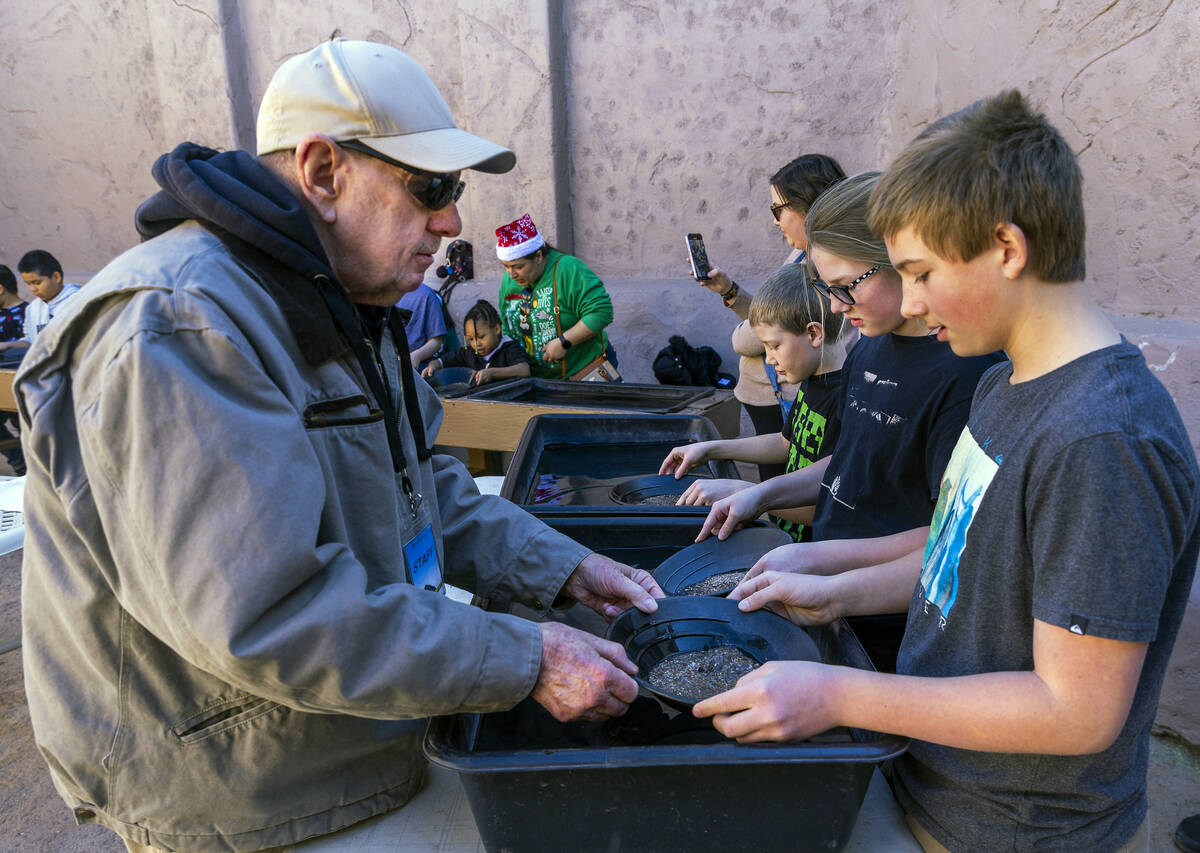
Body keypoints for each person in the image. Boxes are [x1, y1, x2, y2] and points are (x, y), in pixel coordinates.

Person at [16, 40, 663, 853]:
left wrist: (562, 566)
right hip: (250, 798)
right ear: (323, 172)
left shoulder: (345, 297)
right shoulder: (179, 324)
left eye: (454, 190)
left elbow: (420, 485)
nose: (453, 220)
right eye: (429, 187)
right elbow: (265, 612)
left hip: (344, 745)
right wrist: (524, 656)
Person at [698, 91, 1199, 853]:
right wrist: (829, 582)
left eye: (922, 271)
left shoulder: (1103, 438)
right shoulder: (1007, 381)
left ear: (1005, 246)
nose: (916, 301)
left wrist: (838, 691)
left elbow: (1078, 709)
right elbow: (955, 548)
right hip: (929, 778)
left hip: (1010, 828)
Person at [697, 172, 1003, 673]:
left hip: (886, 622)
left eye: (845, 286)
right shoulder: (867, 346)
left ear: (901, 261)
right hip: (827, 591)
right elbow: (854, 461)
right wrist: (761, 495)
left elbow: (948, 537)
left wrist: (827, 577)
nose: (838, 305)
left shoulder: (964, 370)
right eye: (826, 288)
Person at [658, 262, 850, 543]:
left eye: (774, 346)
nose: (770, 359)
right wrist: (711, 449)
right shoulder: (814, 378)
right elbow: (786, 443)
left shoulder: (845, 395)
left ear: (813, 333)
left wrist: (745, 492)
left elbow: (827, 507)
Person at [700, 154, 847, 480]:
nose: (774, 220)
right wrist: (729, 291)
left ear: (807, 207)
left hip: (789, 396)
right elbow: (771, 320)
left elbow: (749, 337)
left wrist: (749, 497)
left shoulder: (820, 267)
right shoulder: (801, 255)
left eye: (777, 209)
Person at [496, 214, 617, 380]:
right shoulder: (509, 281)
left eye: (518, 267)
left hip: (585, 373)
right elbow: (508, 325)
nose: (512, 275)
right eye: (506, 267)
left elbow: (601, 312)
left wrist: (564, 342)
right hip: (538, 380)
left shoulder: (568, 269)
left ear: (538, 256)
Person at [421, 298, 530, 387]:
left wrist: (492, 373)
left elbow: (524, 370)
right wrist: (433, 366)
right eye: (471, 339)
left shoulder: (510, 348)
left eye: (481, 337)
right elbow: (441, 361)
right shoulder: (468, 352)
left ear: (497, 329)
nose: (476, 344)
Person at [17, 249, 81, 347]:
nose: (32, 289)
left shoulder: (78, 301)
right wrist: (9, 345)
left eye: (37, 283)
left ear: (56, 277)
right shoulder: (32, 309)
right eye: (28, 284)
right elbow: (30, 341)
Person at [0, 264, 27, 474]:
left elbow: (33, 343)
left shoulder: (29, 312)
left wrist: (8, 346)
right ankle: (19, 463)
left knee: (26, 427)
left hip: (21, 383)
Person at [396, 280, 446, 370]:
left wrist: (417, 356)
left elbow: (436, 341)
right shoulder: (375, 291)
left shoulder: (426, 295)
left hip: (416, 366)